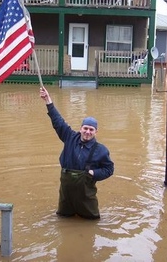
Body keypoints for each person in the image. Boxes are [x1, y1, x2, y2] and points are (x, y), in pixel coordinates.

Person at [40, 86, 114, 219]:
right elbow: (58, 121)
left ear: (96, 132)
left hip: (86, 195)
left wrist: (94, 173)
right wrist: (48, 101)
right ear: (80, 129)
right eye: (85, 128)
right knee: (63, 218)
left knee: (92, 221)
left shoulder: (101, 150)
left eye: (91, 129)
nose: (87, 132)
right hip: (66, 192)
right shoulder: (69, 137)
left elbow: (109, 169)